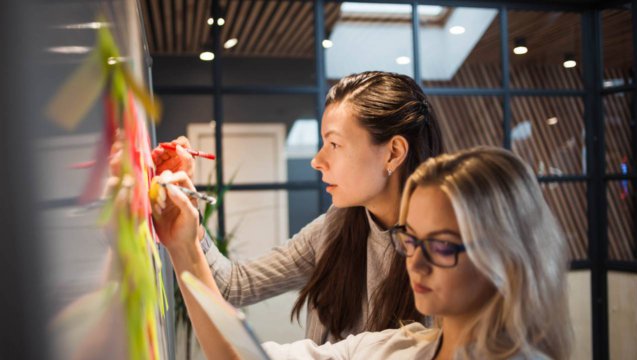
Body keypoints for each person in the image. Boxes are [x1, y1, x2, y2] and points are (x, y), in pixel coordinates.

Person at [156, 146, 574, 359]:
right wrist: (183, 243)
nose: (417, 261)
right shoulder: (394, 347)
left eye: (442, 245)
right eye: (410, 240)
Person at [153, 71, 444, 343]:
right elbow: (234, 285)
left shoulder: (442, 258)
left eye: (334, 144)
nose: (317, 160)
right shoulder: (337, 226)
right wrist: (188, 223)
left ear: (393, 153)